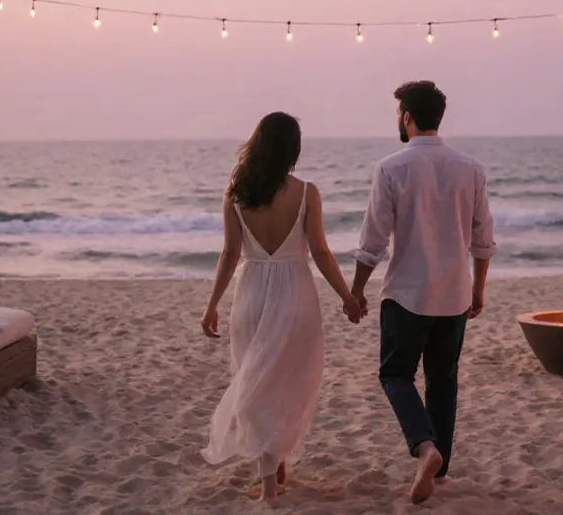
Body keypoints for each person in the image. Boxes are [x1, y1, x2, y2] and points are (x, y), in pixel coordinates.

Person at [200, 112, 362, 505]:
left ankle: (274, 469)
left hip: (252, 293)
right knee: (287, 383)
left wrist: (212, 305)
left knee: (256, 383)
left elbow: (229, 254)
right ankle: (270, 484)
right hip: (295, 294)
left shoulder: (235, 195)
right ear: (293, 149)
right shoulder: (306, 192)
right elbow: (320, 252)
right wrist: (347, 297)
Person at [351, 81, 497, 504]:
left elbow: (372, 242)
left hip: (407, 296)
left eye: (398, 112)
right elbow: (483, 238)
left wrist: (357, 292)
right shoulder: (471, 168)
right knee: (443, 379)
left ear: (407, 117)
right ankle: (441, 464)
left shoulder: (391, 168)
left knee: (395, 374)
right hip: (454, 295)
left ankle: (425, 447)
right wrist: (478, 289)